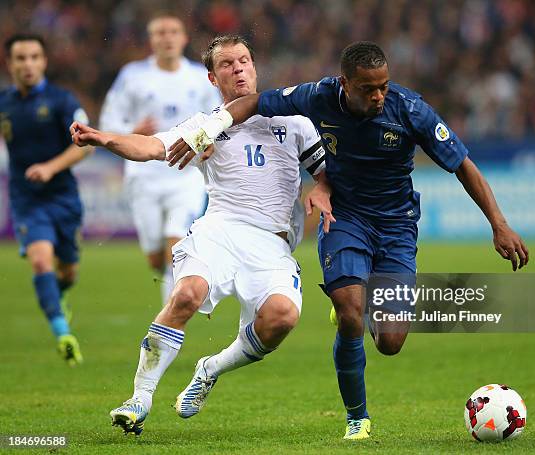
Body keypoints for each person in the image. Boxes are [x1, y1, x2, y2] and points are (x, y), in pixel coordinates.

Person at [166, 41, 530, 440]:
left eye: (384, 87)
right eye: (368, 89)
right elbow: (253, 103)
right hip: (345, 217)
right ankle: (357, 418)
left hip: (396, 227)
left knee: (390, 342)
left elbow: (462, 165)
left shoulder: (410, 110)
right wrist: (209, 128)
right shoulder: (318, 96)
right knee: (350, 311)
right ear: (346, 84)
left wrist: (498, 224)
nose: (378, 96)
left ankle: (359, 303)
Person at [71, 34, 333, 435]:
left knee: (282, 317)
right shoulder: (204, 127)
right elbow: (150, 146)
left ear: (254, 66)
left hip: (274, 242)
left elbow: (327, 173)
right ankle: (140, 397)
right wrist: (104, 138)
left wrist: (323, 187)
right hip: (221, 229)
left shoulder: (294, 121)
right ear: (213, 78)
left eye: (244, 60)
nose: (239, 69)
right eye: (227, 64)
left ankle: (211, 368)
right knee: (188, 292)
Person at [99, 13, 221, 304]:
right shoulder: (132, 75)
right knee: (156, 257)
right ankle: (169, 289)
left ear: (184, 38)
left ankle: (169, 322)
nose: (167, 37)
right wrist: (131, 131)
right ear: (151, 40)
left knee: (176, 245)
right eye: (160, 32)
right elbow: (108, 122)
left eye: (173, 31)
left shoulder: (199, 77)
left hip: (186, 174)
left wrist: (209, 142)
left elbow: (218, 117)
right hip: (144, 175)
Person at [0, 33, 93, 365]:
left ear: (44, 61)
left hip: (63, 197)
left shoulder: (61, 101)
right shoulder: (4, 103)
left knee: (68, 272)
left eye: (34, 57)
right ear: (9, 63)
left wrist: (50, 168)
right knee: (41, 260)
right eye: (20, 58)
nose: (27, 64)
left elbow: (87, 144)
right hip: (26, 200)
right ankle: (63, 333)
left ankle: (60, 294)